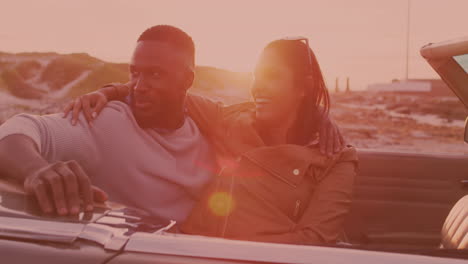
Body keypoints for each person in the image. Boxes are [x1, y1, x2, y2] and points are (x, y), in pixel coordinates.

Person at [0, 25, 342, 224]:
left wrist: (319, 116)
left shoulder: (211, 124)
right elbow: (17, 130)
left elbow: (265, 117)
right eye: (134, 73)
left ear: (187, 81)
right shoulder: (106, 125)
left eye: (155, 74)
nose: (139, 85)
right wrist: (34, 170)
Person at [65, 36, 357, 245]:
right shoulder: (229, 118)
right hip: (186, 249)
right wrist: (107, 93)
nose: (258, 87)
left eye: (272, 77)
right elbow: (166, 90)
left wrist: (224, 251)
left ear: (303, 86)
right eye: (256, 76)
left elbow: (314, 243)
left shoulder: (336, 159)